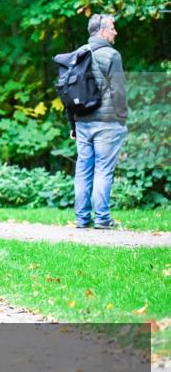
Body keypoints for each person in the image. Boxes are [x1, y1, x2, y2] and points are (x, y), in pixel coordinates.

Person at [69, 13, 128, 229]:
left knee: (83, 170)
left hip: (82, 123)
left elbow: (69, 93)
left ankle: (82, 219)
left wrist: (72, 125)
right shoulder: (112, 55)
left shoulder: (78, 54)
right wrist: (122, 119)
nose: (115, 31)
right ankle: (102, 219)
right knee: (103, 169)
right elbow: (119, 91)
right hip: (107, 123)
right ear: (102, 31)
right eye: (112, 27)